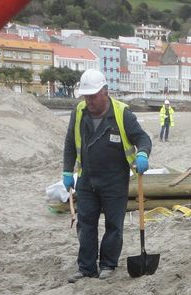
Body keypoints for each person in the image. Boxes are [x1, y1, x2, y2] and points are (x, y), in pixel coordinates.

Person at [62, 69, 152, 282]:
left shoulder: (122, 114)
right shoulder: (79, 112)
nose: (89, 100)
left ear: (105, 91)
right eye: (86, 96)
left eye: (93, 96)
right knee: (86, 225)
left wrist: (142, 154)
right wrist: (67, 170)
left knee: (113, 225)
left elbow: (143, 137)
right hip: (87, 179)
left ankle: (108, 264)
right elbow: (69, 143)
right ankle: (86, 268)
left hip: (114, 180)